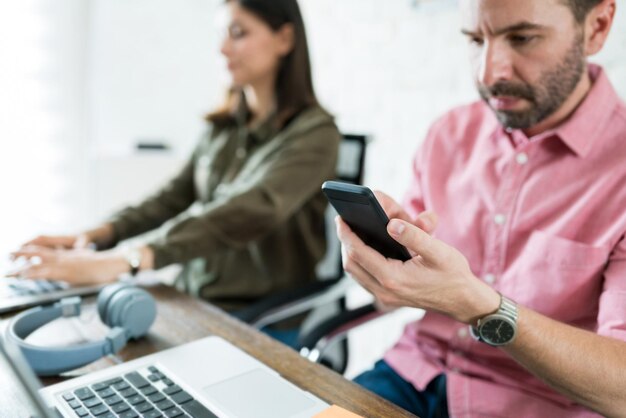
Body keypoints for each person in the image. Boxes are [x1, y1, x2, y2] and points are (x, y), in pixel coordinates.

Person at [337, 0, 626, 417]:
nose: (489, 74)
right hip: (414, 373)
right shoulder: (449, 134)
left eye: (522, 38)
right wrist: (385, 273)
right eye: (476, 39)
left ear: (597, 27)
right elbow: (395, 298)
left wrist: (482, 307)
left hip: (535, 405)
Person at [10, 0, 341, 312]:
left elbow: (248, 209)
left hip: (258, 316)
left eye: (238, 33)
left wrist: (129, 258)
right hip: (191, 297)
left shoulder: (316, 134)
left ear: (284, 39)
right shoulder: (222, 127)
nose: (222, 48)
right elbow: (172, 197)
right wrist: (98, 234)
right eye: (220, 35)